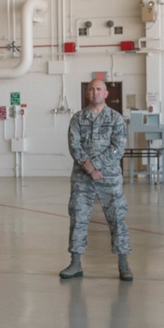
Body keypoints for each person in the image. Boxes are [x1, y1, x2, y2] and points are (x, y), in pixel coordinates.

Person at [59, 79, 132, 281]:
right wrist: (88, 167)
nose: (95, 92)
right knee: (78, 217)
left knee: (117, 217)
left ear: (106, 93)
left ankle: (124, 264)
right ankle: (75, 263)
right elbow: (74, 146)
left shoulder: (116, 119)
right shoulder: (78, 119)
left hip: (109, 177)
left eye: (99, 89)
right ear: (87, 93)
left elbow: (118, 148)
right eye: (91, 89)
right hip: (83, 178)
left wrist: (96, 165)